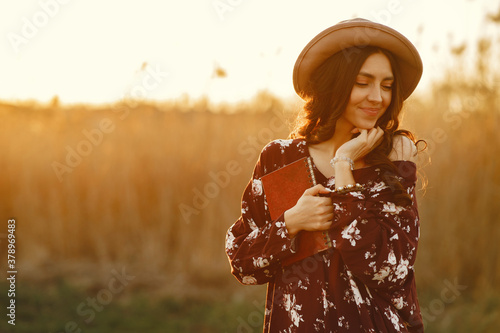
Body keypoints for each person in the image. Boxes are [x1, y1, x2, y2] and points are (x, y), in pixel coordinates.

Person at [225, 18, 425, 332]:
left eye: (387, 86)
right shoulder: (281, 158)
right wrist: (291, 222)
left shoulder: (392, 165)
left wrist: (344, 163)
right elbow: (243, 262)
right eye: (363, 82)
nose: (377, 97)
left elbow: (387, 270)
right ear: (335, 82)